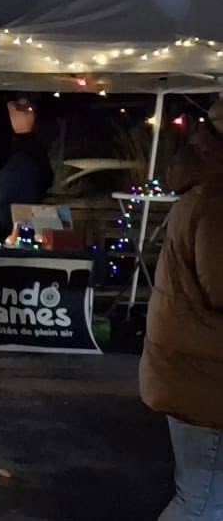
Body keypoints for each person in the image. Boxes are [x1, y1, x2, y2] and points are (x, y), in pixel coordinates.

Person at [144, 98, 223, 519]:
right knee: (203, 502)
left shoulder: (204, 190)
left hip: (192, 369)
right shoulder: (215, 201)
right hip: (205, 379)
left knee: (204, 498)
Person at [0, 98, 54, 243]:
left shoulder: (11, 148)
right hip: (19, 212)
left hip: (14, 213)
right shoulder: (30, 149)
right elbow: (48, 178)